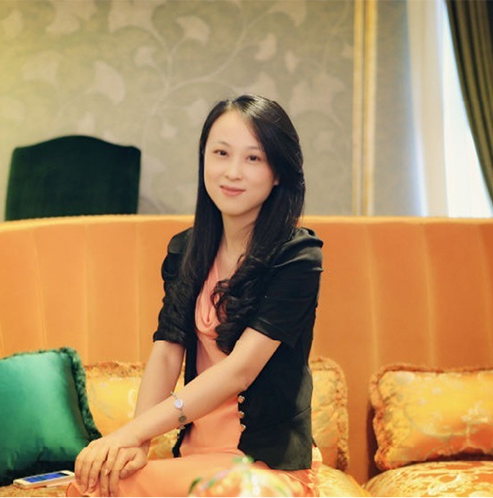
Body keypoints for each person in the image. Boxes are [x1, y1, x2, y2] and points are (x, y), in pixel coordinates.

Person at [68, 95, 324, 497]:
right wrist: (138, 443)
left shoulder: (297, 258)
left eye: (253, 158)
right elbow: (167, 350)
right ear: (204, 158)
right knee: (95, 485)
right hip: (195, 458)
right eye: (221, 153)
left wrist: (131, 432)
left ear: (277, 172)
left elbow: (240, 370)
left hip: (263, 468)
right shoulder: (185, 250)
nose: (233, 172)